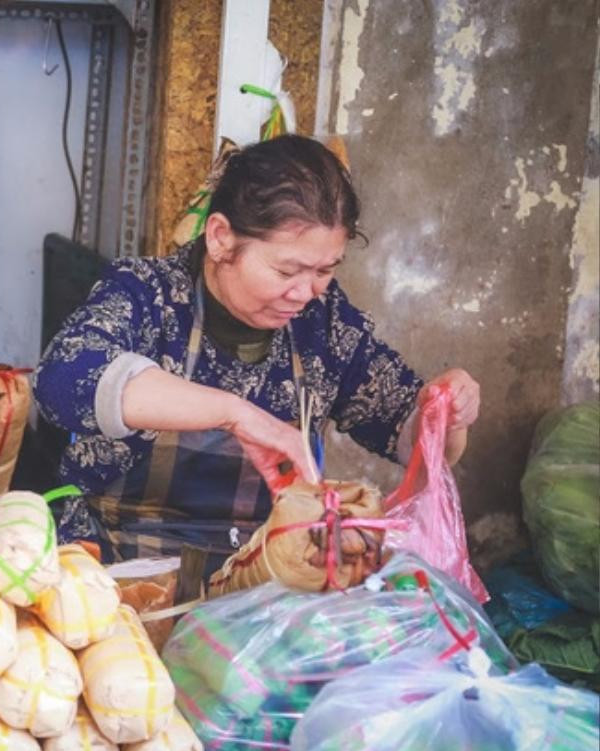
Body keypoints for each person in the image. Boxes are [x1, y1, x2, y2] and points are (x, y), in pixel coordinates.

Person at [33, 135, 480, 557]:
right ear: (221, 238)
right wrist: (240, 416)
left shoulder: (324, 325)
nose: (307, 292)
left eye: (324, 271)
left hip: (264, 578)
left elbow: (417, 444)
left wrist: (444, 413)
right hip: (120, 571)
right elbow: (63, 377)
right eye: (287, 272)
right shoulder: (149, 296)